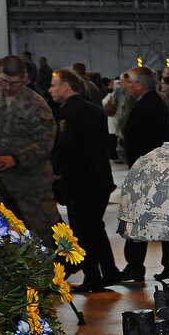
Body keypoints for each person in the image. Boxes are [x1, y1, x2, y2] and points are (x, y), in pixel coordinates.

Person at [49, 68, 120, 293]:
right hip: (100, 179)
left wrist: (55, 170)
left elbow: (65, 146)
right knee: (95, 227)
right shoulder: (95, 109)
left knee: (82, 230)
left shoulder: (67, 113)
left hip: (79, 181)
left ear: (66, 87)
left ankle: (93, 277)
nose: (50, 90)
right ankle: (109, 270)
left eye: (54, 85)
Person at [0, 55, 61, 239]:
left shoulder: (37, 105)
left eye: (14, 83)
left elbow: (45, 143)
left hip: (30, 182)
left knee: (39, 233)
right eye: (4, 81)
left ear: (25, 78)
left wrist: (15, 158)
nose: (8, 87)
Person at [119, 66, 169, 282]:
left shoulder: (151, 106)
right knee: (143, 220)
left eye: (130, 82)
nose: (127, 86)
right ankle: (140, 265)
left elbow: (150, 143)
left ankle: (140, 266)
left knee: (148, 220)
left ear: (140, 84)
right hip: (147, 173)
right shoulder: (147, 103)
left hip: (150, 175)